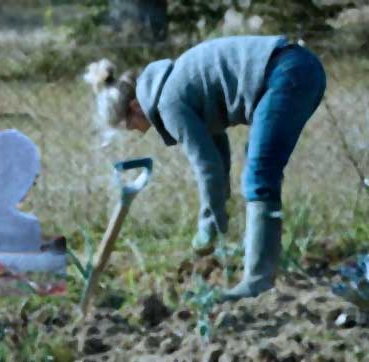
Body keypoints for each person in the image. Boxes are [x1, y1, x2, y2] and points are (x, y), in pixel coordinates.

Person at [83, 35, 326, 301]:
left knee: (260, 174)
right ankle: (257, 264)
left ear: (134, 107)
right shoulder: (175, 87)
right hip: (297, 67)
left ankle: (257, 282)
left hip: (285, 73)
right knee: (258, 165)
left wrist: (208, 228)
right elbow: (218, 159)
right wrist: (219, 216)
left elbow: (207, 167)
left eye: (126, 124)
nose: (132, 131)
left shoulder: (168, 103)